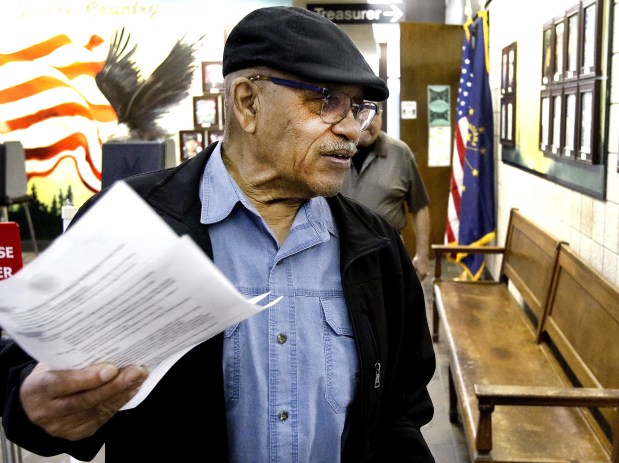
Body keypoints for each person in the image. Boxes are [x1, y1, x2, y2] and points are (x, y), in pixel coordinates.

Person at [0, 7, 436, 463]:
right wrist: (41, 411)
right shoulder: (134, 223)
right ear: (248, 102)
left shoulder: (376, 248)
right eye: (326, 101)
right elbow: (34, 382)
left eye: (360, 109)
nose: (351, 128)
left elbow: (401, 411)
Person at [341, 106, 431, 281]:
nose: (367, 121)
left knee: (391, 306)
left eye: (374, 114)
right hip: (340, 254)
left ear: (382, 116)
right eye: (360, 111)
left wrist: (422, 255)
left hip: (388, 255)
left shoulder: (400, 153)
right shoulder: (333, 150)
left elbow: (419, 207)